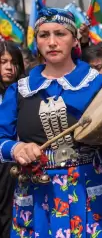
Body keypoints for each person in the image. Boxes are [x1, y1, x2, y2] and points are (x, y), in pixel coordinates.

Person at [0, 8, 102, 237]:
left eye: (60, 34)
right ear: (36, 41)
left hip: (92, 190)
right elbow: (1, 139)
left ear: (75, 39)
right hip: (37, 193)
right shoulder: (20, 90)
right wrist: (17, 147)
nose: (52, 42)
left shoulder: (100, 85)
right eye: (44, 35)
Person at [0, 41, 25, 238]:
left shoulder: (25, 92)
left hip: (13, 165)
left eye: (13, 62)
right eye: (3, 62)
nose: (9, 67)